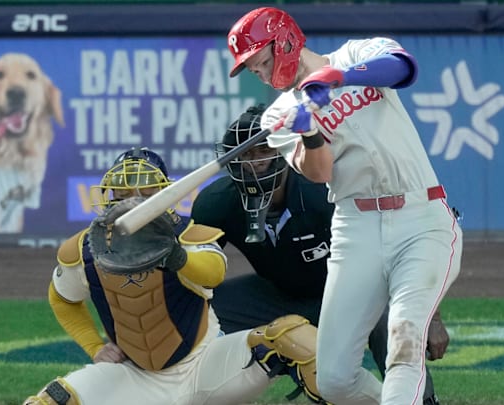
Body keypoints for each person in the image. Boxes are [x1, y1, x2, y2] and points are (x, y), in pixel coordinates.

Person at [226, 7, 463, 405]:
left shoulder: (357, 55)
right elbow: (318, 172)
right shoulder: (279, 114)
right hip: (356, 229)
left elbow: (404, 68)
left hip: (420, 217)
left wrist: (337, 78)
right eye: (253, 70)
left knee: (403, 348)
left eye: (261, 62)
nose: (262, 75)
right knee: (334, 378)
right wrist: (310, 130)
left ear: (283, 41)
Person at [22, 147, 326, 405]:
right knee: (51, 400)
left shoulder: (188, 236)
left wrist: (172, 253)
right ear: (108, 194)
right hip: (134, 373)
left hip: (205, 365)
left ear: (164, 193)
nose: (132, 200)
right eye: (123, 191)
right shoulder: (85, 248)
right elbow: (61, 298)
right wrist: (95, 347)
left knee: (292, 339)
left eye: (144, 190)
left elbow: (214, 273)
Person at [191, 104, 448, 404]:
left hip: (348, 293)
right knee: (199, 309)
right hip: (278, 296)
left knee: (388, 315)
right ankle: (188, 394)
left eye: (262, 151)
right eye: (245, 154)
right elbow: (192, 274)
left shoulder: (327, 191)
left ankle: (422, 401)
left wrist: (431, 318)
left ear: (284, 151)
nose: (254, 163)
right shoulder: (215, 203)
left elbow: (396, 246)